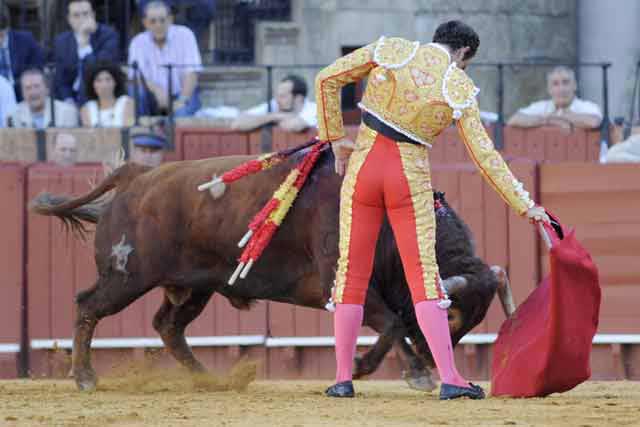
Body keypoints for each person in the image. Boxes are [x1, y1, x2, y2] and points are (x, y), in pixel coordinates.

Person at [315, 21, 549, 400]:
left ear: (437, 39)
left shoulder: (390, 49)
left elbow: (327, 79)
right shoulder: (457, 86)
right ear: (463, 54)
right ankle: (451, 379)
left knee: (352, 273)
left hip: (363, 168)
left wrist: (335, 139)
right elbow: (486, 158)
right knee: (423, 275)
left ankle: (342, 378)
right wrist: (526, 206)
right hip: (407, 175)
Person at [128, 0, 202, 117]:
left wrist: (182, 100)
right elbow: (136, 76)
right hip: (153, 96)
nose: (158, 25)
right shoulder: (138, 42)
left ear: (170, 19)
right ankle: (141, 132)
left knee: (181, 112)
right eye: (153, 21)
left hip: (181, 93)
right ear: (145, 23)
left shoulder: (185, 35)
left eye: (162, 20)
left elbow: (192, 73)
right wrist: (157, 90)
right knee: (135, 92)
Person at [53, 0, 120, 105]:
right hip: (72, 97)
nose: (82, 19)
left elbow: (98, 71)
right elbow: (61, 79)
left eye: (85, 14)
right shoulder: (62, 41)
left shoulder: (108, 35)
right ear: (69, 19)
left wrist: (84, 44)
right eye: (76, 15)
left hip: (100, 96)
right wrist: (68, 100)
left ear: (93, 15)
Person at [507, 66, 602, 130]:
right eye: (555, 84)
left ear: (575, 86)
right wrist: (547, 120)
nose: (561, 89)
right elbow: (513, 120)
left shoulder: (587, 106)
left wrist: (558, 116)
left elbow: (593, 122)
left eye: (566, 82)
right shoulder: (542, 106)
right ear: (549, 89)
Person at [231, 74, 318, 132]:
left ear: (298, 98)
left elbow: (295, 125)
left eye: (283, 96)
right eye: (277, 95)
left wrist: (272, 119)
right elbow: (237, 123)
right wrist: (273, 116)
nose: (277, 100)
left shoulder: (313, 109)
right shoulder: (276, 104)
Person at [0, 5, 45, 100]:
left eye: (1, 35)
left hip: (22, 95)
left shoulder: (25, 40)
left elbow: (37, 68)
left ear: (6, 30)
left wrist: (10, 87)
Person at [7, 69, 78, 128]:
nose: (33, 92)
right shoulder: (13, 117)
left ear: (47, 89)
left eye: (37, 86)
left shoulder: (67, 112)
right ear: (22, 93)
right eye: (28, 88)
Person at [80, 62, 135, 127]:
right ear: (92, 85)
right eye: (98, 80)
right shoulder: (86, 109)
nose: (104, 85)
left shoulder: (127, 102)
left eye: (108, 80)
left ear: (115, 82)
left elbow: (128, 131)